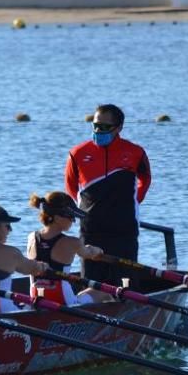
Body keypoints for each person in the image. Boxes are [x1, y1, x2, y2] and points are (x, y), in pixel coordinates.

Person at [65, 104, 151, 285]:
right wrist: (84, 209)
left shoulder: (135, 152)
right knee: (91, 284)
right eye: (95, 125)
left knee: (127, 284)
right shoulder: (77, 153)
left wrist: (135, 202)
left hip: (124, 230)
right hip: (91, 231)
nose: (98, 130)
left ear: (119, 128)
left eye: (104, 127)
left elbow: (146, 179)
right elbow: (71, 187)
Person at [26, 191, 108, 304]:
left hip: (37, 299)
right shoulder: (73, 242)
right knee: (103, 291)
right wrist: (97, 250)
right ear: (57, 218)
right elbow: (89, 254)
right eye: (71, 217)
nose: (73, 221)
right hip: (64, 302)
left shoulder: (31, 238)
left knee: (82, 293)